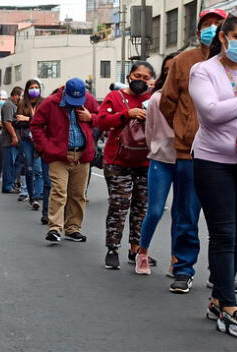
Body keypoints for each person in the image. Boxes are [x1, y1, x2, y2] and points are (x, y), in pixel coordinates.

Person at [189, 12, 237, 338]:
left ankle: (216, 299)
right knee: (224, 233)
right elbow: (211, 114)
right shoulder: (203, 71)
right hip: (213, 161)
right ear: (224, 38)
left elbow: (227, 109)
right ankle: (228, 306)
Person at [159, 8, 228, 293]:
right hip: (190, 151)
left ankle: (221, 274)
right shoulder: (183, 61)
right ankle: (183, 268)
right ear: (198, 30)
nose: (211, 29)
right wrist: (185, 128)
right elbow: (167, 102)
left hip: (230, 154)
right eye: (206, 24)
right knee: (186, 213)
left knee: (225, 221)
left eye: (217, 25)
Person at [97, 61, 155, 270]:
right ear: (129, 76)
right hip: (118, 160)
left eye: (145, 78)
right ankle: (113, 248)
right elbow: (101, 122)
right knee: (119, 205)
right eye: (137, 76)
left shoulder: (153, 97)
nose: (140, 81)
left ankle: (136, 249)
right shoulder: (115, 97)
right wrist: (126, 114)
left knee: (142, 208)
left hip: (146, 160)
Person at [31, 78, 99, 244]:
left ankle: (73, 228)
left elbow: (102, 118)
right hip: (58, 155)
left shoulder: (89, 100)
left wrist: (91, 118)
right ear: (64, 92)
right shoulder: (51, 103)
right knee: (59, 191)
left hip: (81, 155)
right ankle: (54, 228)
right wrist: (46, 147)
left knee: (78, 194)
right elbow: (36, 125)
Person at [135, 53, 179, 275]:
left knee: (182, 214)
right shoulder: (155, 99)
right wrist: (156, 150)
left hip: (185, 159)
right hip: (160, 160)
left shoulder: (192, 98)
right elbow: (149, 132)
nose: (173, 73)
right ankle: (142, 252)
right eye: (169, 69)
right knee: (154, 211)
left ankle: (176, 259)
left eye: (177, 68)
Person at [17, 80, 46, 210]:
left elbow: (45, 122)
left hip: (40, 140)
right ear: (27, 89)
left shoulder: (44, 103)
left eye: (36, 87)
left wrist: (28, 119)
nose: (34, 89)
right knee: (29, 168)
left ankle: (39, 195)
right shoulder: (22, 104)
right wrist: (28, 121)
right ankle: (32, 196)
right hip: (26, 140)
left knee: (39, 170)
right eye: (31, 87)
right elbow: (17, 122)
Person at [0, 87, 23, 193]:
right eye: (20, 96)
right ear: (15, 95)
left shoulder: (14, 105)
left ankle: (11, 183)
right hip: (9, 139)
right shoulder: (9, 105)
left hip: (17, 138)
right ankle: (7, 186)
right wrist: (14, 136)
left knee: (18, 162)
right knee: (9, 164)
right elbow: (7, 123)